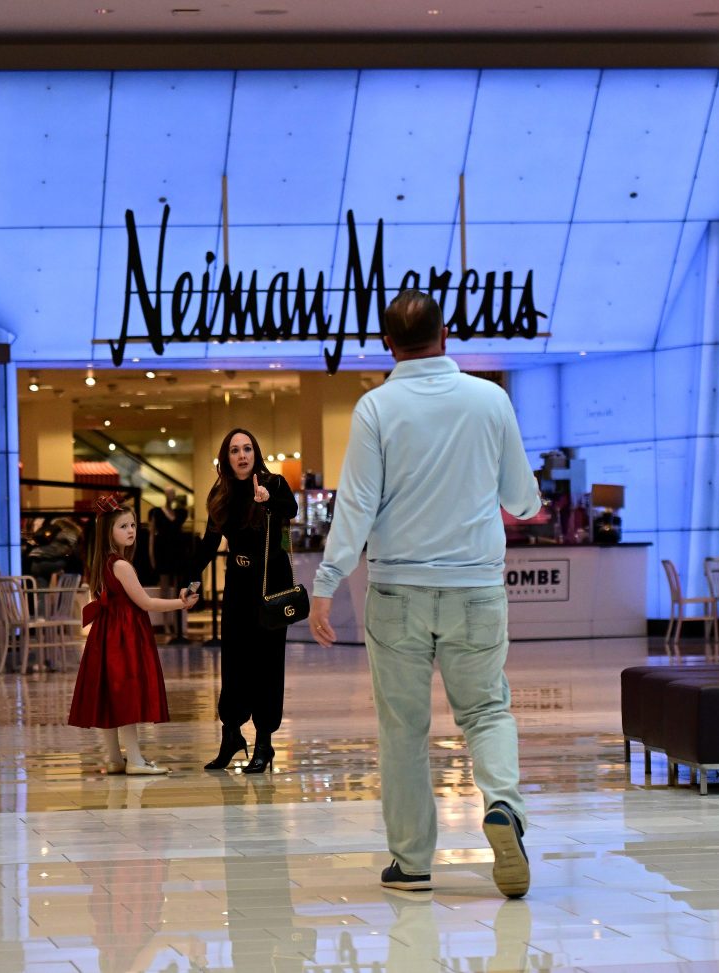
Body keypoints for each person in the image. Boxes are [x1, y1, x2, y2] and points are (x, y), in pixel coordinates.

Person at [310, 288, 543, 898]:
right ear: (447, 337)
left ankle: (412, 863)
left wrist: (326, 583)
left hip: (397, 591)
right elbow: (523, 500)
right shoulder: (491, 400)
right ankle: (504, 810)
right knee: (487, 710)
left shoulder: (376, 408)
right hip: (474, 588)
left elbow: (356, 507)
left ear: (386, 344)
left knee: (403, 728)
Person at [189, 429, 299, 774]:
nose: (242, 455)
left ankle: (265, 743)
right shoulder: (220, 493)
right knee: (234, 663)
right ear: (226, 456)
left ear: (256, 452)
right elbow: (209, 543)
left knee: (267, 665)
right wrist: (189, 579)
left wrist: (267, 499)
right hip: (237, 585)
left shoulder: (274, 484)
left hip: (269, 588)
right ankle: (232, 734)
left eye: (247, 448)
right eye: (235, 450)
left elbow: (292, 510)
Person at [68, 497, 199, 775]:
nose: (130, 531)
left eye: (132, 525)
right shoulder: (122, 565)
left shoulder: (101, 562)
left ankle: (115, 758)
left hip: (105, 635)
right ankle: (136, 761)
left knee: (109, 695)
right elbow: (147, 603)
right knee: (126, 695)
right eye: (123, 526)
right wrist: (181, 603)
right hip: (123, 636)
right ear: (109, 532)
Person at [148, 487, 189, 637]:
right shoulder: (156, 513)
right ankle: (166, 624)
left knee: (179, 588)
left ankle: (177, 623)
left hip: (177, 553)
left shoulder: (180, 513)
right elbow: (152, 536)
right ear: (165, 495)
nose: (172, 496)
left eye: (173, 494)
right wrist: (151, 556)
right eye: (169, 494)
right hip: (163, 553)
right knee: (164, 589)